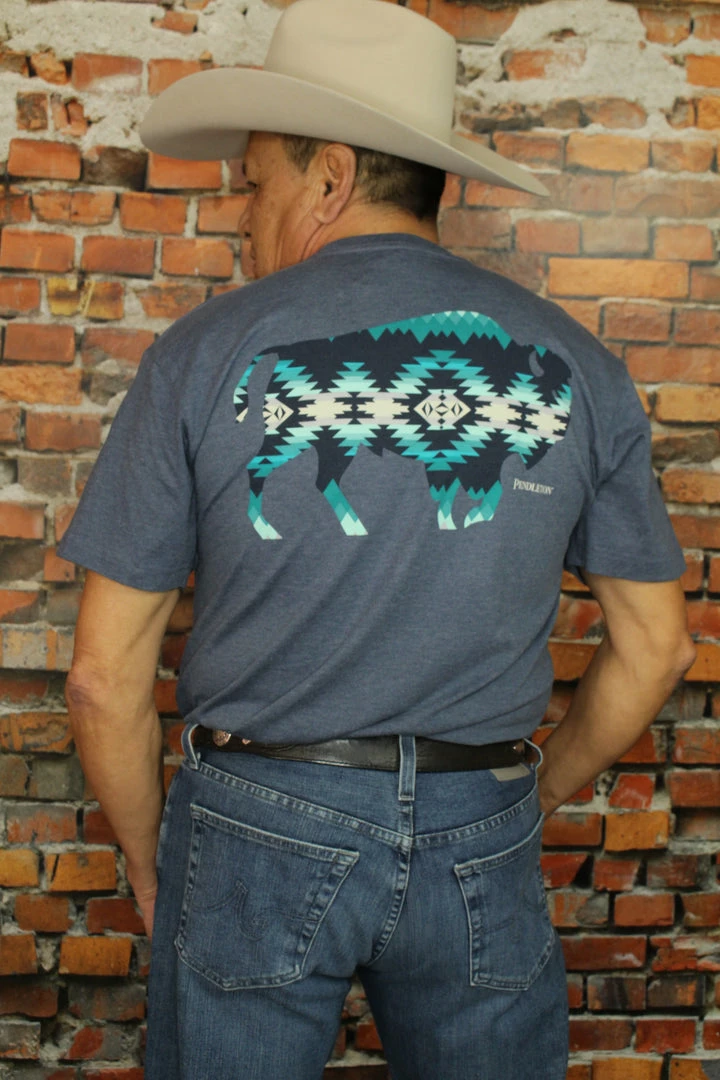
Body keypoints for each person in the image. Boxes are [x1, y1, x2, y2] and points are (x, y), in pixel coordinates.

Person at [60, 1, 696, 1077]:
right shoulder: (578, 365)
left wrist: (152, 857)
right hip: (480, 815)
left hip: (258, 817)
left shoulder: (203, 353)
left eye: (255, 184)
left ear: (330, 177)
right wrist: (525, 799)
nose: (244, 217)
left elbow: (101, 678)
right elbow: (658, 648)